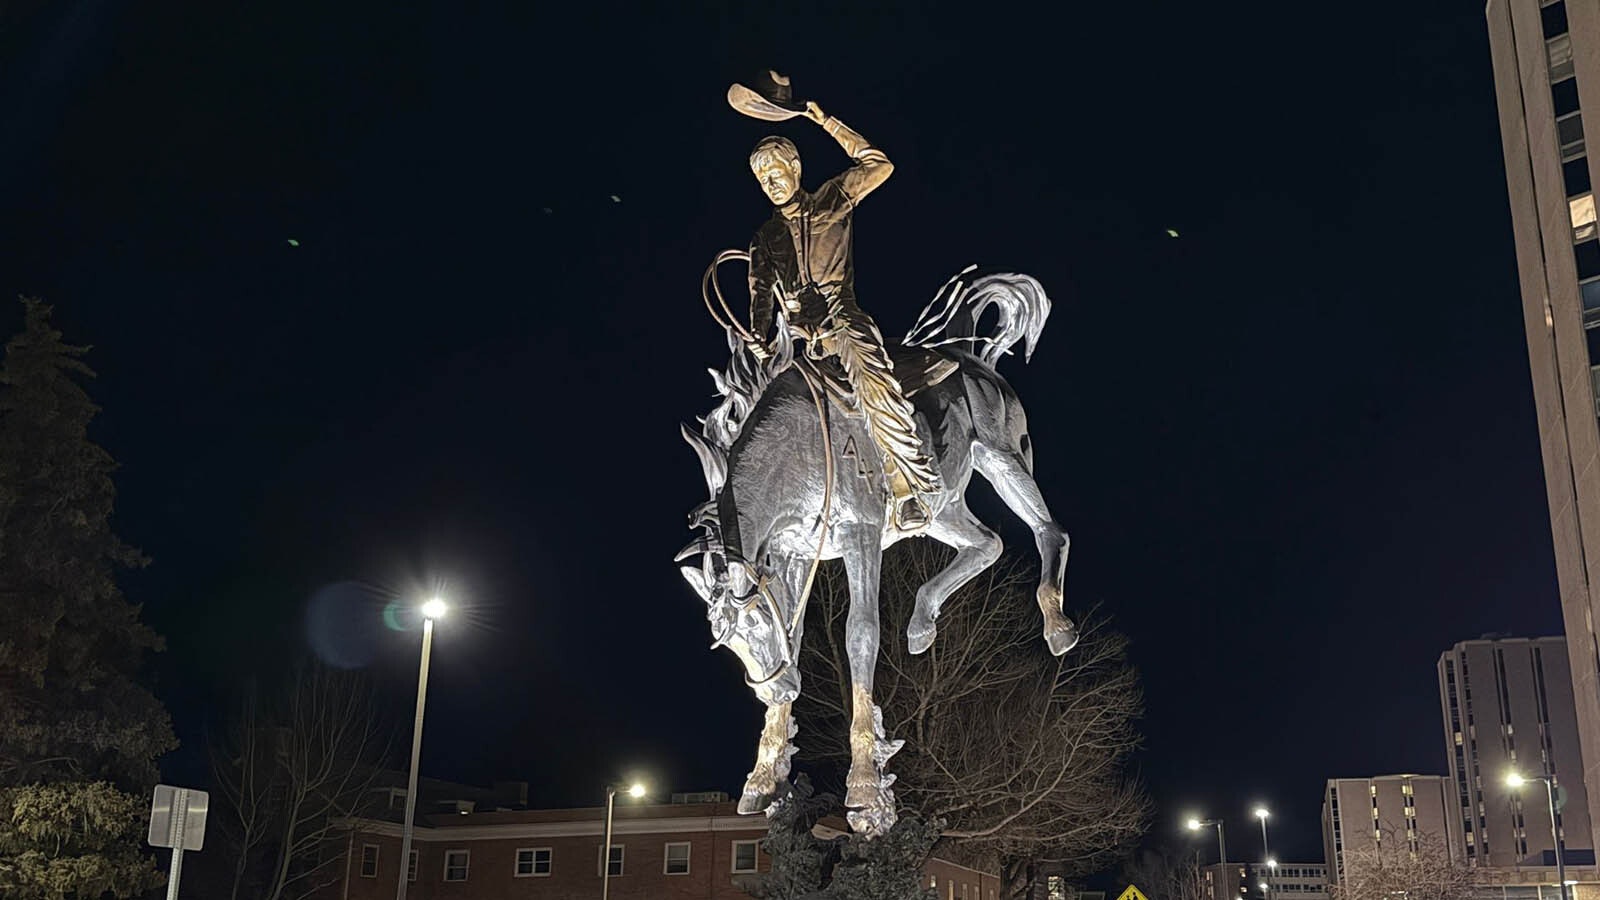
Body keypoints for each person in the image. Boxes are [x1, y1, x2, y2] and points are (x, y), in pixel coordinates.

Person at [744, 99, 939, 530]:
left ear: (796, 168)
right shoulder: (765, 238)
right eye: (762, 178)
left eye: (775, 172)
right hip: (802, 341)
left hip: (842, 319)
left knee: (870, 379)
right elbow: (760, 296)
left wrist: (826, 122)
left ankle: (905, 484)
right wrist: (759, 335)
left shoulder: (832, 199)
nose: (770, 183)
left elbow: (880, 165)